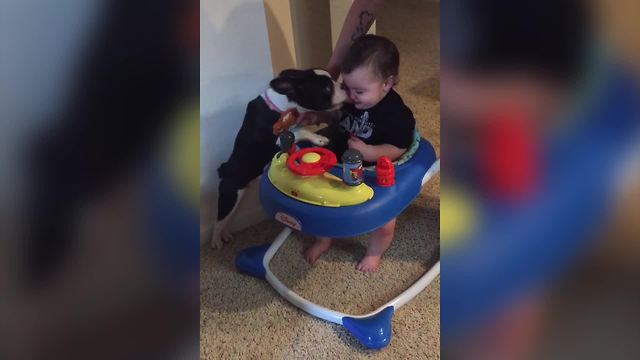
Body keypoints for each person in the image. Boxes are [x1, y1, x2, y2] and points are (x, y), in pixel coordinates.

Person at [304, 35, 415, 272]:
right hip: (338, 159)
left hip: (373, 171)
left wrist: (370, 151)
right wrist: (318, 116)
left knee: (385, 218)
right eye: (347, 87)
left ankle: (375, 253)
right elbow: (336, 116)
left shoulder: (396, 114)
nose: (351, 96)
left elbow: (400, 147)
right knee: (320, 201)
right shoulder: (350, 96)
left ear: (387, 83)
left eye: (360, 91)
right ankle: (323, 239)